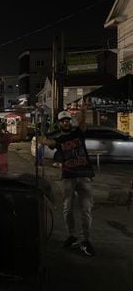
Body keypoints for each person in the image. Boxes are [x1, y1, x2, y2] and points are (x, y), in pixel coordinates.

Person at [38, 108, 96, 256]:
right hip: (68, 176)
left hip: (84, 176)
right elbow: (46, 141)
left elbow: (83, 123)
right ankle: (72, 235)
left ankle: (86, 240)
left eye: (68, 120)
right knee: (67, 208)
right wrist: (42, 137)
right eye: (63, 121)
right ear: (59, 123)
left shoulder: (78, 133)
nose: (66, 122)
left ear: (70, 122)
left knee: (86, 209)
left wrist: (83, 112)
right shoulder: (58, 139)